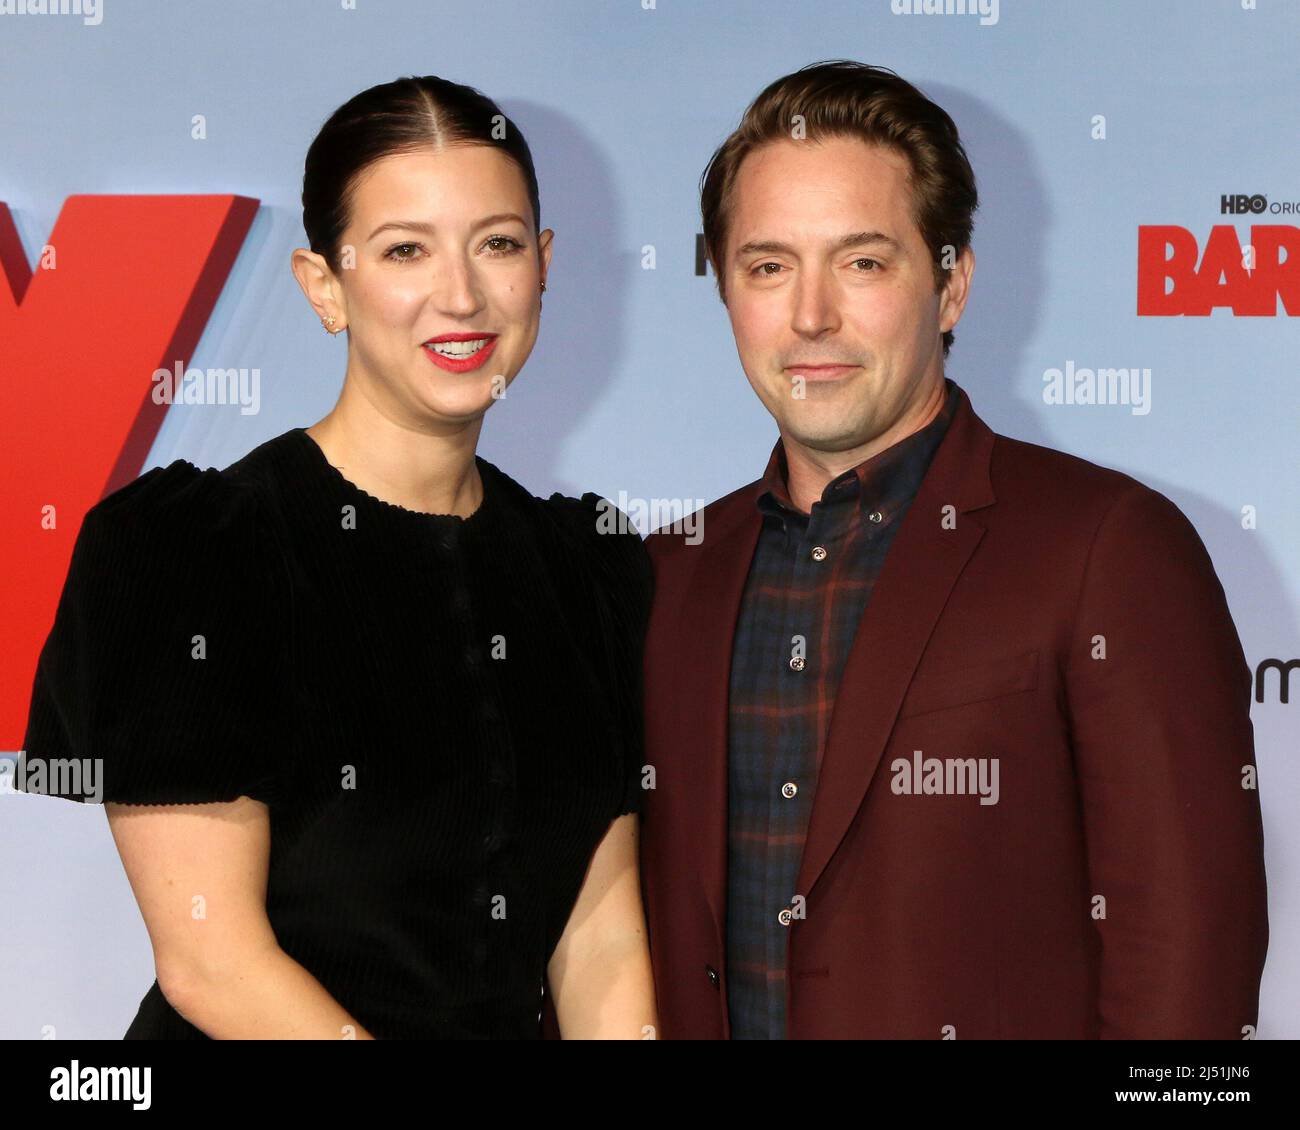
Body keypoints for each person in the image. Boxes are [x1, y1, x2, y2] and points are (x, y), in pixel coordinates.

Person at [635, 60, 1268, 1038]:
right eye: (768, 265)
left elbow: (1186, 968)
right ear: (724, 288)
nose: (810, 315)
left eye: (861, 261)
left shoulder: (1106, 549)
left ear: (951, 282)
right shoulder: (662, 573)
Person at [16, 75, 657, 1039]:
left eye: (499, 243)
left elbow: (600, 942)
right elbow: (214, 964)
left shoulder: (585, 569)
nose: (462, 294)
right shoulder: (199, 550)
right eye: (406, 250)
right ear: (325, 285)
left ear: (545, 263)